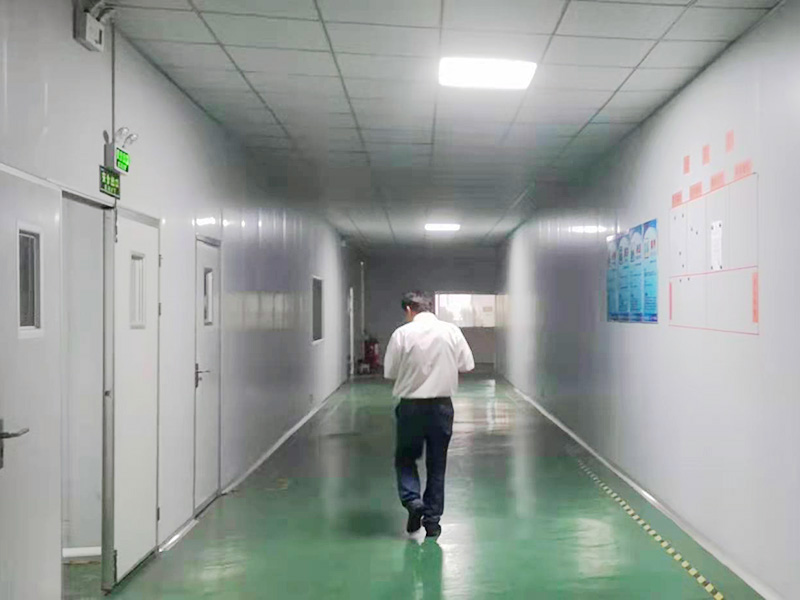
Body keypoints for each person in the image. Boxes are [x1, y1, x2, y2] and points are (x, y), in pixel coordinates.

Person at [384, 291, 475, 538]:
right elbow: (467, 365)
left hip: (410, 407)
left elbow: (390, 371)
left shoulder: (402, 334)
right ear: (429, 307)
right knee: (437, 463)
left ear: (408, 310)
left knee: (406, 458)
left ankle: (413, 501)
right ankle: (432, 521)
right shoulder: (451, 331)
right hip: (441, 407)